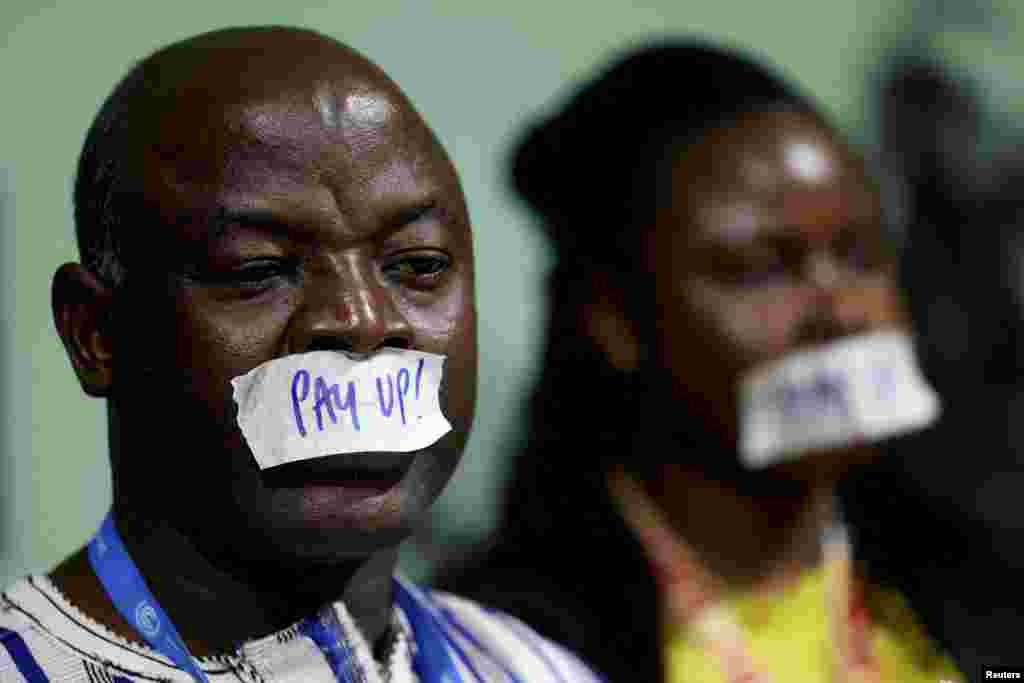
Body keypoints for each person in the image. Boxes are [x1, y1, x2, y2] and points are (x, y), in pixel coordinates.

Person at [0, 26, 601, 683]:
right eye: (258, 268)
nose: (365, 321)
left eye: (417, 264)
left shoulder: (536, 670)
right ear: (96, 334)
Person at [440, 41, 964, 683]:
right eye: (761, 269)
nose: (843, 313)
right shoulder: (505, 649)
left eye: (862, 255)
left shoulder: (970, 587)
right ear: (615, 320)